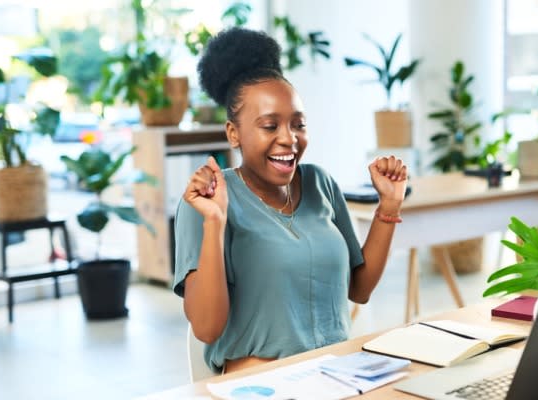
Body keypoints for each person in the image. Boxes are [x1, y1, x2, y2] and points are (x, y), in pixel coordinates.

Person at [173, 27, 408, 374]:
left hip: (339, 374)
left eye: (298, 124)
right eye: (270, 126)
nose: (289, 139)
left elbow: (358, 290)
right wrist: (215, 222)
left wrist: (388, 207)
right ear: (233, 133)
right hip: (261, 383)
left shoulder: (320, 183)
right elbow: (206, 328)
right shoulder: (206, 202)